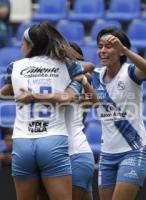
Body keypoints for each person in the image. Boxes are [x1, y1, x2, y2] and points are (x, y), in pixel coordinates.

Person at [0, 22, 85, 200]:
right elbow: (67, 97)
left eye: (22, 43)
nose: (21, 46)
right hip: (53, 140)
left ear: (31, 45)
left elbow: (1, 94)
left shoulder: (14, 66)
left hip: (22, 141)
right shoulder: (68, 65)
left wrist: (26, 92)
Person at [17, 42, 97, 200]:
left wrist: (84, 81)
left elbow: (93, 102)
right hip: (61, 156)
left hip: (73, 156)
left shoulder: (77, 84)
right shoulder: (54, 82)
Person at [93, 28, 146, 200]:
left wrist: (125, 49)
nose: (103, 51)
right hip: (107, 154)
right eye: (100, 46)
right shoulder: (95, 76)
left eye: (109, 46)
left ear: (120, 51)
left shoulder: (131, 72)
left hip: (133, 150)